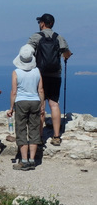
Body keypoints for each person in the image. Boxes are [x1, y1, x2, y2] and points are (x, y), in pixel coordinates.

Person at [27, 13, 72, 146]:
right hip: (55, 75)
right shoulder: (59, 38)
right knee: (54, 104)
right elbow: (67, 53)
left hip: (39, 75)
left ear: (42, 23)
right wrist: (66, 56)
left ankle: (40, 137)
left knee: (41, 106)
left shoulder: (36, 37)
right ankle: (57, 136)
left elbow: (27, 52)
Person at [7, 45, 45, 171]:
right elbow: (40, 90)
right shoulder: (37, 71)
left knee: (21, 130)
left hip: (21, 102)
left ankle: (23, 161)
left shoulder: (16, 72)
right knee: (34, 130)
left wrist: (11, 107)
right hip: (35, 101)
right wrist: (42, 105)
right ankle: (32, 160)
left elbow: (14, 91)